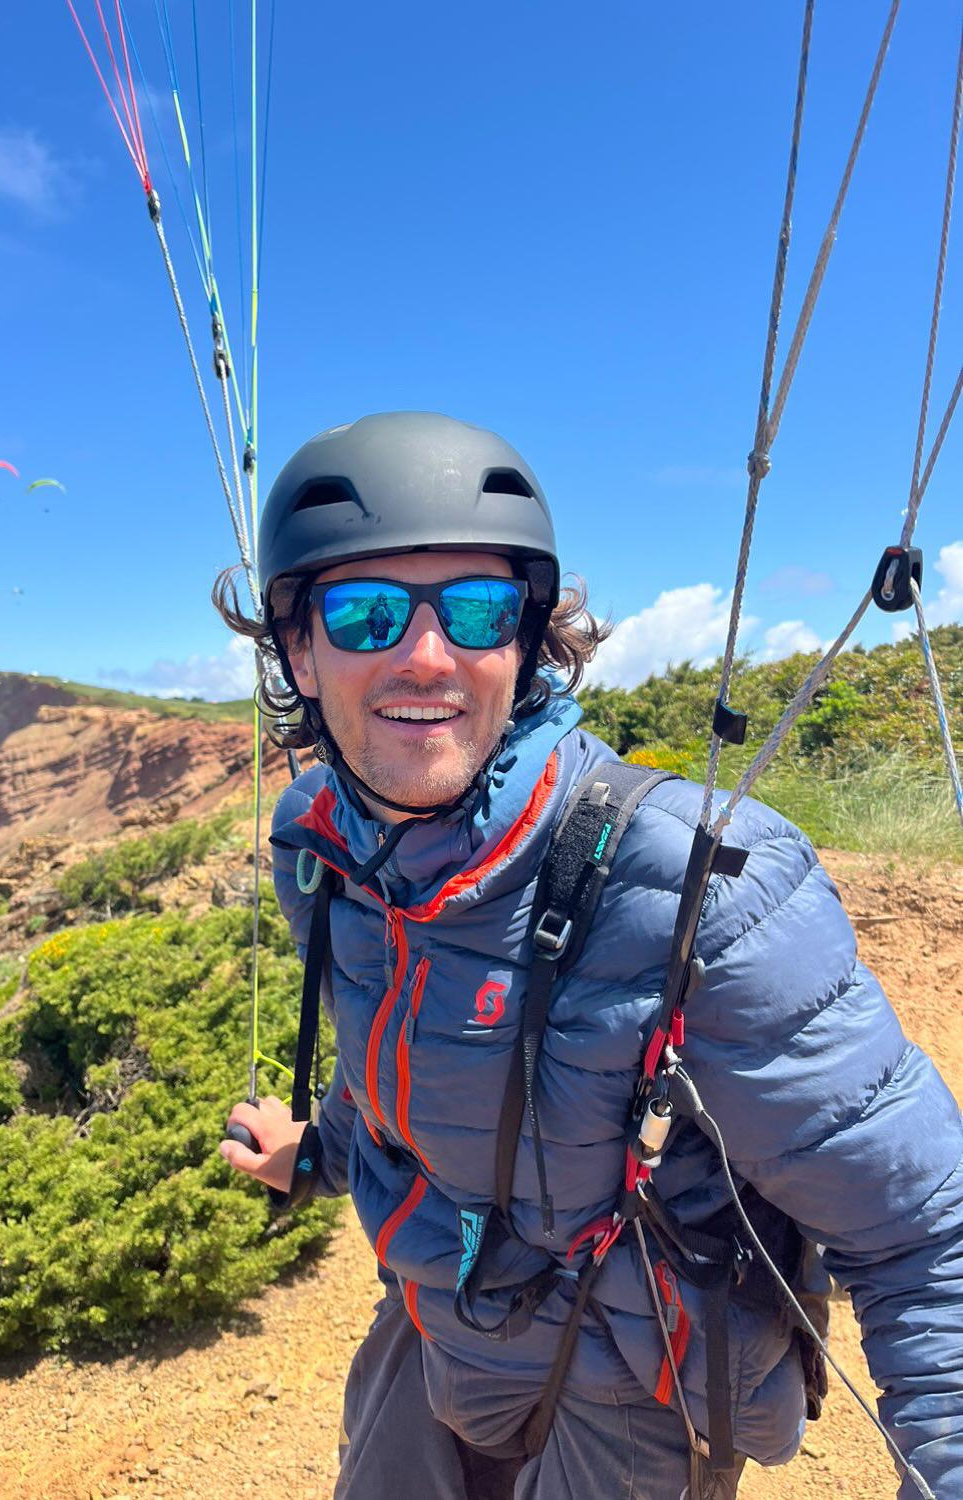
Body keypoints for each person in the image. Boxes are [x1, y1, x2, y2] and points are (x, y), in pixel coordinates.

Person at [215, 412, 963, 1500]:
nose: (426, 655)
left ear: (523, 641)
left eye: (477, 608)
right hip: (441, 1321)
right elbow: (391, 1045)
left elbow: (924, 1235)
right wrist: (321, 1151)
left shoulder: (700, 884)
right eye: (364, 611)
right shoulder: (321, 846)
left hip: (639, 1382)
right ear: (297, 648)